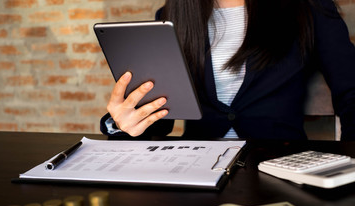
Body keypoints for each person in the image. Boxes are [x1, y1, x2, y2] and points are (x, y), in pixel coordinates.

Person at [100, 0, 355, 140]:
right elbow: (160, 118)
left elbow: (352, 93)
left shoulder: (310, 8)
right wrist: (122, 123)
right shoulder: (170, 14)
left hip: (280, 167)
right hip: (196, 170)